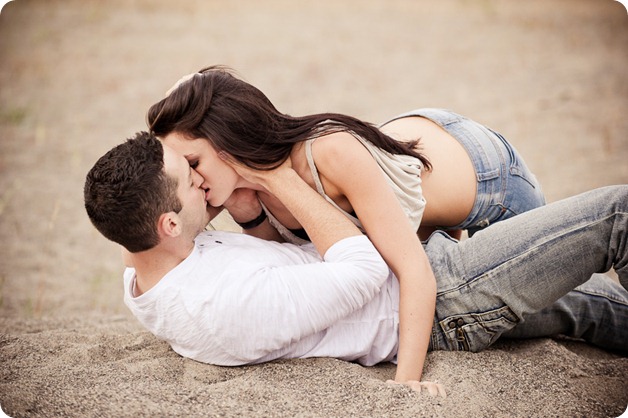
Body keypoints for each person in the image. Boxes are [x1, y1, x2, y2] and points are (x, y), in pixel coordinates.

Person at [84, 132, 628, 398]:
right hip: (448, 297)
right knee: (616, 215)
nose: (205, 182)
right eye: (190, 180)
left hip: (432, 282)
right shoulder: (221, 309)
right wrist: (278, 181)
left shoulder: (146, 269)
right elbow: (364, 271)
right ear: (169, 225)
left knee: (596, 312)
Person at [146, 65, 545, 385]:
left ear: (227, 143)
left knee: (561, 285)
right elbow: (298, 260)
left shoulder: (329, 153)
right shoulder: (241, 191)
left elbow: (414, 271)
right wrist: (246, 213)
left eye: (193, 163)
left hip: (487, 175)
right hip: (419, 171)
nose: (192, 179)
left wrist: (407, 383)